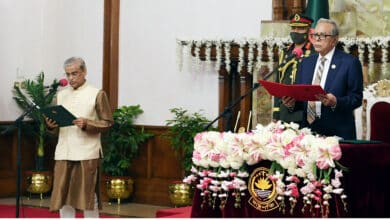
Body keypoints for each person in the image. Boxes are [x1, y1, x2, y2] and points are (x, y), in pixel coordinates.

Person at [45, 57, 114, 218]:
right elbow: (54, 129)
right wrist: (51, 125)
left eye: (74, 74)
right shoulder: (60, 95)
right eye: (68, 74)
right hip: (64, 151)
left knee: (88, 197)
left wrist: (87, 123)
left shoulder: (97, 93)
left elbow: (108, 123)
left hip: (87, 153)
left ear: (84, 72)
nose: (70, 78)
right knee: (63, 196)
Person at [284, 18, 363, 140]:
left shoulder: (350, 63)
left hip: (337, 134)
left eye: (323, 35)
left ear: (335, 39)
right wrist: (292, 104)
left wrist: (336, 101)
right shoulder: (306, 63)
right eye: (315, 35)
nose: (317, 39)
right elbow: (302, 98)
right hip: (308, 133)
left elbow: (356, 99)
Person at [272, 13, 316, 123]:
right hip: (285, 110)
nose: (295, 31)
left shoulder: (314, 52)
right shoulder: (285, 52)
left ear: (308, 30)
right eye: (293, 27)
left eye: (300, 28)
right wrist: (276, 113)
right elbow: (279, 83)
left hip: (306, 111)